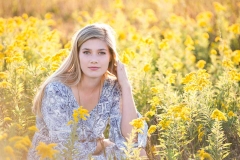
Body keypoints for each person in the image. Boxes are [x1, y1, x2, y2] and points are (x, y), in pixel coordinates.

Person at [27, 23, 148, 160]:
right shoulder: (56, 90)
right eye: (86, 52)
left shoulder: (111, 87)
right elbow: (65, 148)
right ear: (77, 55)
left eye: (101, 53)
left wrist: (125, 86)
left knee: (136, 152)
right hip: (54, 156)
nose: (94, 60)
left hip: (92, 154)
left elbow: (131, 137)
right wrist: (103, 144)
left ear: (111, 57)